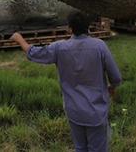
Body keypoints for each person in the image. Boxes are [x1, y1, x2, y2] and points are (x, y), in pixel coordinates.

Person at [11, 11, 122, 152]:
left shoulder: (59, 48)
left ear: (70, 29)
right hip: (95, 113)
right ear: (87, 27)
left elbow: (33, 53)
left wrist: (19, 39)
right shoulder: (99, 46)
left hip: (74, 112)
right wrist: (112, 86)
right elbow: (116, 77)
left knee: (80, 148)